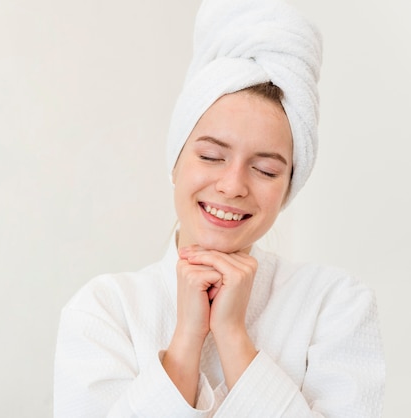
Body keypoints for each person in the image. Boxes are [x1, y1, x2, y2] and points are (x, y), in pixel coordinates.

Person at [53, 0, 386, 416]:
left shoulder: (335, 304)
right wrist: (187, 339)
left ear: (288, 190)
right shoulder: (104, 310)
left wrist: (232, 336)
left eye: (265, 170)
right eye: (211, 157)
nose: (232, 185)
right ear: (175, 161)